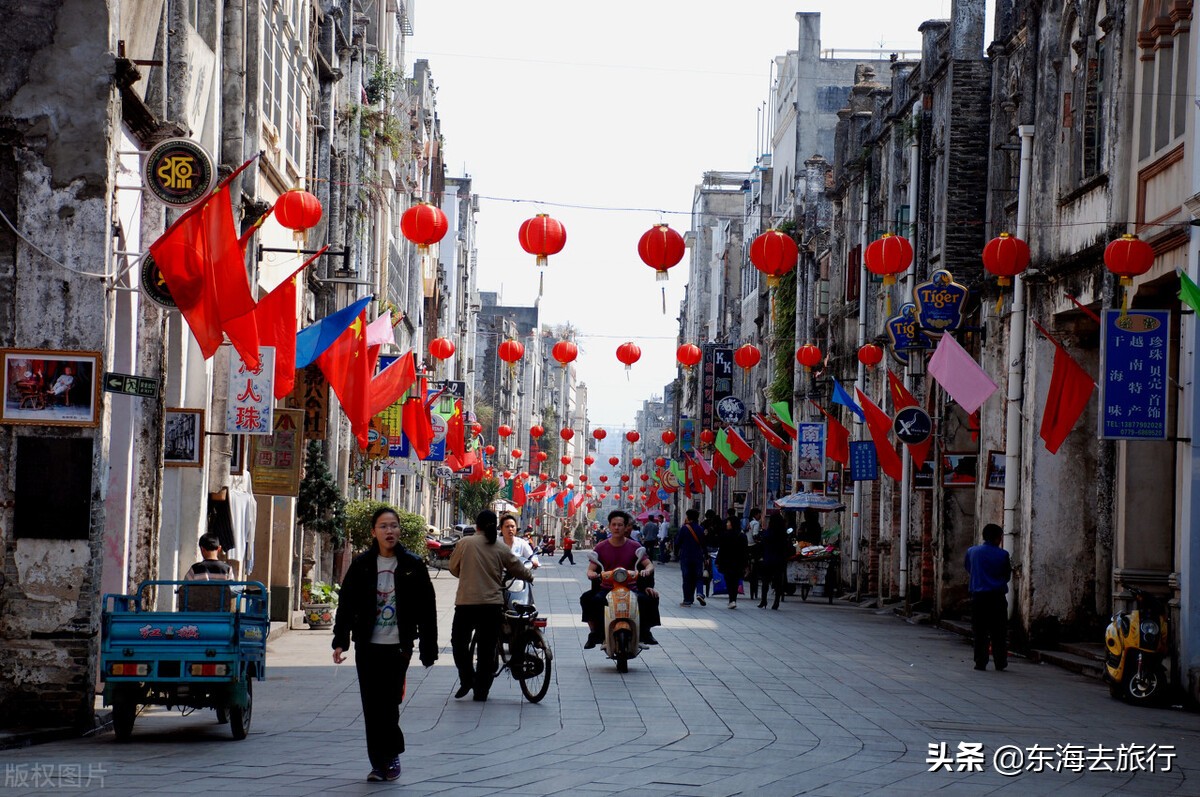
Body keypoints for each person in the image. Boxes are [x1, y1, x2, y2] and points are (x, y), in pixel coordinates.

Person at [332, 506, 438, 783]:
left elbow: (428, 609)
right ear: (373, 532)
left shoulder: (413, 565)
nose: (389, 531)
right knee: (372, 704)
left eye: (393, 526)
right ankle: (378, 763)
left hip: (398, 647)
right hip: (367, 646)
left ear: (400, 530)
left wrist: (429, 647)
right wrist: (341, 640)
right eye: (383, 526)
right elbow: (346, 604)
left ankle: (391, 754)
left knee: (389, 703)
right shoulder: (362, 564)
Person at [449, 510, 534, 702]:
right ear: (496, 526)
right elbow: (518, 568)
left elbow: (453, 568)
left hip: (466, 603)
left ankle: (467, 677)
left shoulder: (465, 543)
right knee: (487, 649)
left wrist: (467, 575)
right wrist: (530, 577)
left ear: (476, 525)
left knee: (459, 643)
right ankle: (481, 691)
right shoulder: (500, 547)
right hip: (491, 606)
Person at [581, 510, 661, 646]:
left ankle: (645, 631)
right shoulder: (601, 547)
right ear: (609, 526)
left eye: (620, 525)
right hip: (607, 588)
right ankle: (595, 632)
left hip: (631, 588)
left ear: (626, 527)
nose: (617, 528)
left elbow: (648, 565)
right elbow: (591, 568)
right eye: (614, 525)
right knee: (590, 600)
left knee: (649, 599)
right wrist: (591, 573)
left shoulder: (635, 546)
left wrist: (647, 571)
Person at [964, 523, 1012, 671]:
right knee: (999, 631)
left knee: (979, 631)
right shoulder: (1003, 555)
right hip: (997, 597)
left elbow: (968, 568)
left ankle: (980, 661)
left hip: (978, 597)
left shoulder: (972, 552)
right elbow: (1007, 575)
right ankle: (1000, 661)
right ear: (998, 538)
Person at [499, 513, 539, 604]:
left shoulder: (522, 543)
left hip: (519, 576)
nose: (510, 529)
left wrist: (534, 561)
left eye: (512, 526)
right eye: (507, 526)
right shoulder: (496, 543)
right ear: (501, 528)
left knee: (527, 587)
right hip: (500, 577)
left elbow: (531, 556)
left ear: (516, 528)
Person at [758, 514, 793, 610]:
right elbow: (788, 547)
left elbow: (762, 545)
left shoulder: (768, 533)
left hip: (768, 559)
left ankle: (763, 600)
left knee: (765, 581)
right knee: (778, 582)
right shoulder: (783, 534)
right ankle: (776, 601)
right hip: (780, 560)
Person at [674, 508, 708, 607]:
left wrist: (676, 553)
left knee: (687, 578)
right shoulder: (700, 529)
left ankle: (687, 600)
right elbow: (703, 544)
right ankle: (700, 593)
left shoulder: (684, 528)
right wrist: (706, 556)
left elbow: (677, 542)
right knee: (698, 577)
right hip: (698, 557)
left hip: (686, 557)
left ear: (688, 517)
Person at [715, 517, 748, 609]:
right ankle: (733, 599)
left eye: (728, 522)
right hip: (738, 562)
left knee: (729, 580)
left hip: (727, 562)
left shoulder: (724, 535)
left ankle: (731, 600)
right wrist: (745, 564)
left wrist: (718, 561)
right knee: (736, 581)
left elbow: (721, 550)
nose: (727, 524)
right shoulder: (742, 536)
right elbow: (745, 551)